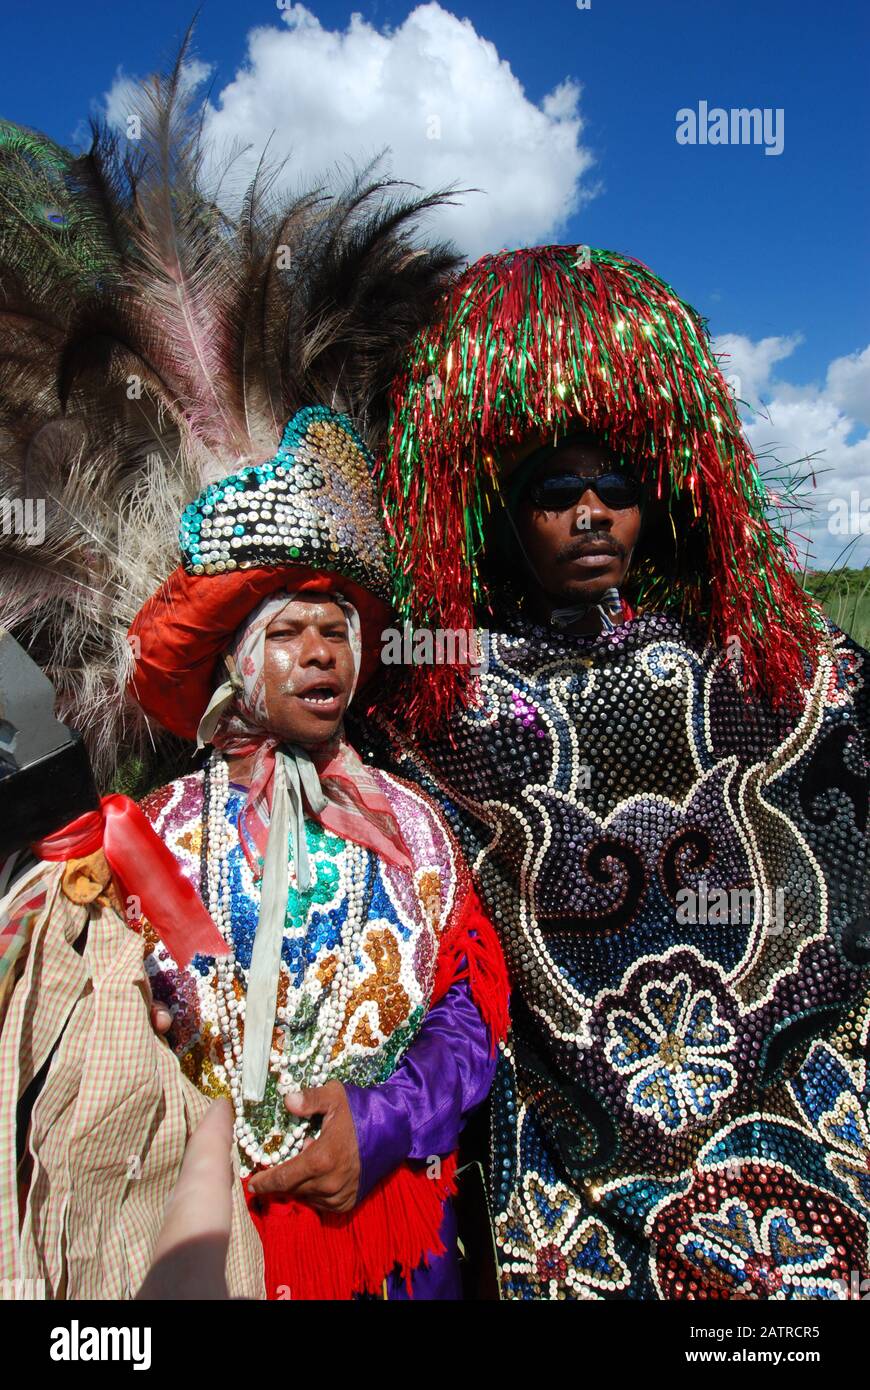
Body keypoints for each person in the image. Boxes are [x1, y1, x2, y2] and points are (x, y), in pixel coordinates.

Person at [361, 244, 870, 1300]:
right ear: (506, 508)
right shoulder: (444, 688)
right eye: (556, 488)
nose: (591, 511)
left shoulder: (761, 656)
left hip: (788, 1119)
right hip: (562, 1160)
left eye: (616, 485)